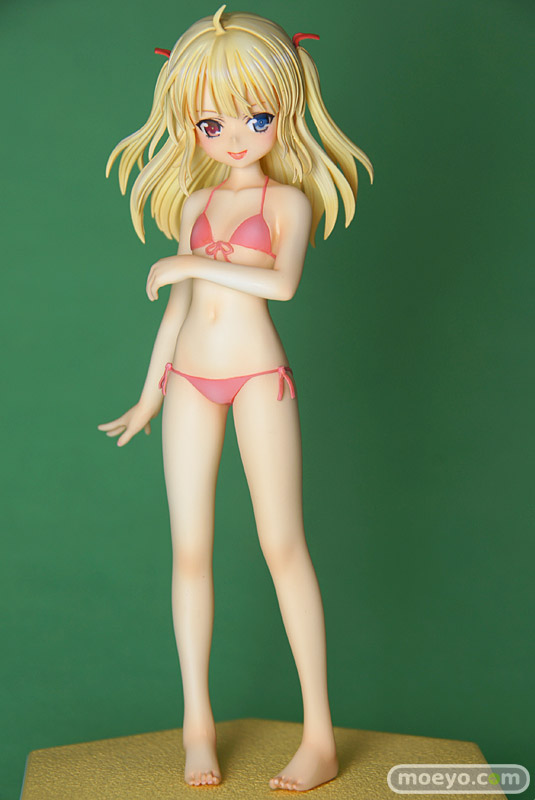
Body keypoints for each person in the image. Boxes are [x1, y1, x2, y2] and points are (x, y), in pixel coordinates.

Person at [98, 5, 373, 791]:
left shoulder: (287, 202)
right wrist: (149, 394)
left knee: (282, 545)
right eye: (212, 122)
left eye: (255, 117)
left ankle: (318, 735)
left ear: (283, 111)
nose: (236, 137)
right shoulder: (193, 204)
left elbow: (280, 285)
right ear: (191, 126)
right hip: (188, 380)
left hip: (257, 379)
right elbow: (177, 314)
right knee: (188, 551)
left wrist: (188, 264)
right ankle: (196, 725)